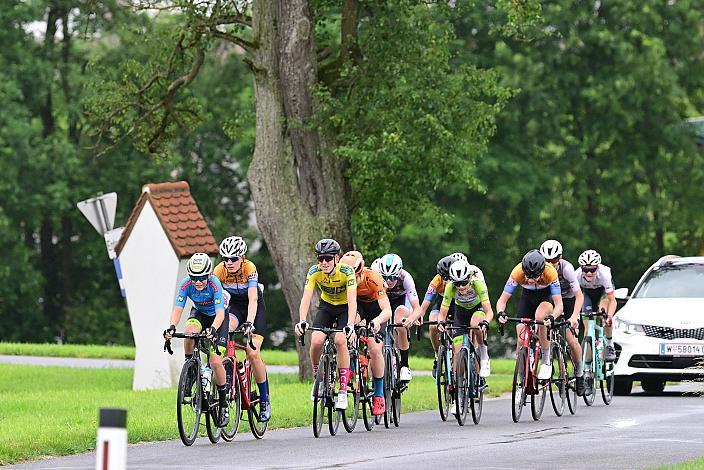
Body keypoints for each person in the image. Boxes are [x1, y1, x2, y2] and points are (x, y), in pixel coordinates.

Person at [163, 253, 230, 427]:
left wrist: (213, 329)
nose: (198, 282)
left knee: (215, 362)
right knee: (189, 332)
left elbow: (221, 313)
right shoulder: (186, 284)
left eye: (201, 278)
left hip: (218, 318)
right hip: (199, 314)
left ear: (208, 275)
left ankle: (223, 404)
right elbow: (178, 308)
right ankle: (191, 370)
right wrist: (171, 327)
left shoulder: (214, 284)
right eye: (194, 278)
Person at [212, 236, 271, 421]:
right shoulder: (219, 271)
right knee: (226, 329)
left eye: (234, 259)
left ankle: (264, 400)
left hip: (254, 307)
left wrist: (250, 322)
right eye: (225, 258)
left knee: (252, 353)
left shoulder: (249, 268)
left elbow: (253, 299)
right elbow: (218, 301)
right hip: (235, 307)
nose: (229, 262)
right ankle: (229, 373)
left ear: (242, 257)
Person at [295, 239, 357, 410]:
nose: (324, 262)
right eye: (320, 258)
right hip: (327, 307)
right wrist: (301, 320)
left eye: (328, 258)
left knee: (340, 341)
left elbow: (352, 301)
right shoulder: (314, 271)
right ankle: (319, 377)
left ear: (337, 259)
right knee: (315, 341)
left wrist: (350, 325)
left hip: (345, 307)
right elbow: (306, 297)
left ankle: (343, 390)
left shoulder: (347, 271)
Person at [496, 249, 563, 381]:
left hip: (545, 298)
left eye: (535, 277)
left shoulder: (550, 272)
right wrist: (500, 313)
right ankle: (522, 381)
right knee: (521, 340)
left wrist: (552, 317)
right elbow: (502, 300)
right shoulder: (517, 272)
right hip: (527, 298)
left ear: (542, 271)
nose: (531, 280)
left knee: (540, 316)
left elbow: (559, 304)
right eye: (528, 276)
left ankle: (546, 360)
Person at [340, 250, 391, 416]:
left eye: (354, 277)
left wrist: (376, 321)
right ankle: (353, 366)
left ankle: (379, 394)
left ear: (360, 271)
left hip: (377, 309)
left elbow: (387, 310)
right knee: (348, 329)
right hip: (359, 308)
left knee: (375, 349)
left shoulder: (373, 278)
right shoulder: (341, 279)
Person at [540, 239, 585, 396]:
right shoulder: (541, 269)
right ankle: (550, 360)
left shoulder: (567, 269)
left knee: (571, 340)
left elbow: (579, 296)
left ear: (560, 257)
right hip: (552, 299)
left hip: (569, 300)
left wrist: (574, 316)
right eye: (547, 260)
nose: (551, 264)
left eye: (554, 260)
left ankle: (580, 374)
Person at [437, 259, 494, 378]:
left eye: (464, 282)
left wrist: (486, 322)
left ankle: (484, 355)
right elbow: (442, 313)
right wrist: (441, 323)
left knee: (474, 323)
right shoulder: (450, 288)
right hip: (461, 312)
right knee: (457, 354)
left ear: (469, 278)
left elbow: (489, 311)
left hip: (477, 309)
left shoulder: (477, 284)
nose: (461, 287)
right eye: (457, 284)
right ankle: (461, 389)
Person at [378, 253, 421, 382]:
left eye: (392, 277)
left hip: (401, 302)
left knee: (400, 321)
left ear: (398, 273)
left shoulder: (406, 278)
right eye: (385, 277)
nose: (389, 281)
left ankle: (404, 366)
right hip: (383, 301)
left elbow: (417, 308)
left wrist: (411, 319)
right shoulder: (376, 276)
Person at [577, 249, 617, 362]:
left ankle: (609, 345)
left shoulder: (604, 275)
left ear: (598, 267)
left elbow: (612, 300)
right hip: (588, 294)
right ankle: (587, 367)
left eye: (592, 269)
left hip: (603, 292)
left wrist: (609, 316)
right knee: (587, 330)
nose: (589, 273)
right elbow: (574, 297)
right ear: (581, 268)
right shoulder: (577, 275)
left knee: (603, 313)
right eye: (586, 270)